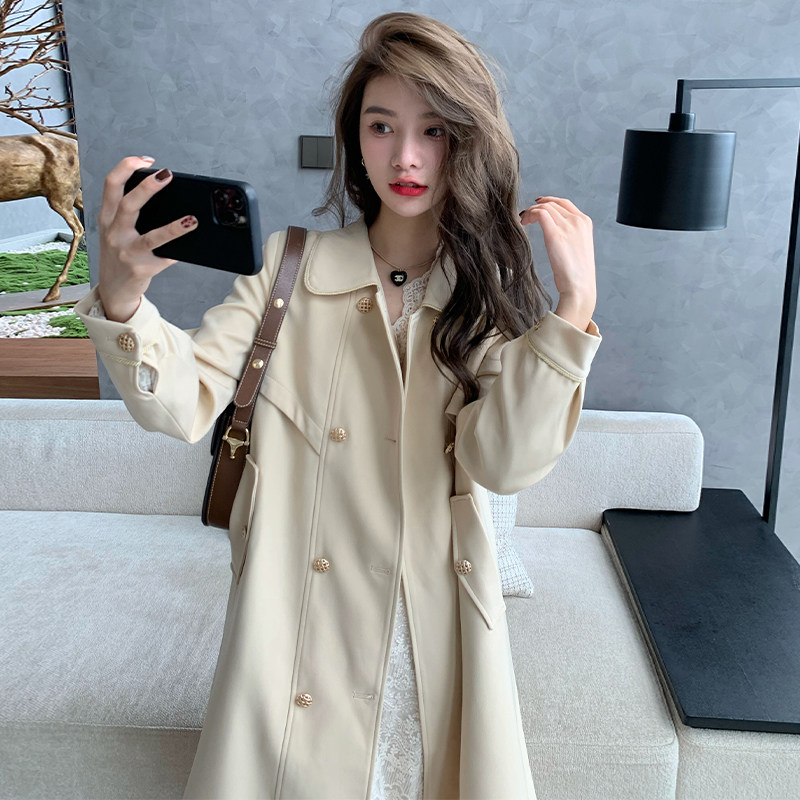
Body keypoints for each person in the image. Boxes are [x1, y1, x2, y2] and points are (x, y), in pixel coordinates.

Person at [75, 11, 601, 800]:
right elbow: (179, 405)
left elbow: (504, 464)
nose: (406, 156)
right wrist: (123, 299)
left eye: (434, 130)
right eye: (381, 126)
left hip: (430, 638)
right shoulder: (287, 270)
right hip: (300, 633)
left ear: (468, 140)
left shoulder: (484, 297)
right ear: (354, 139)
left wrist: (574, 310)